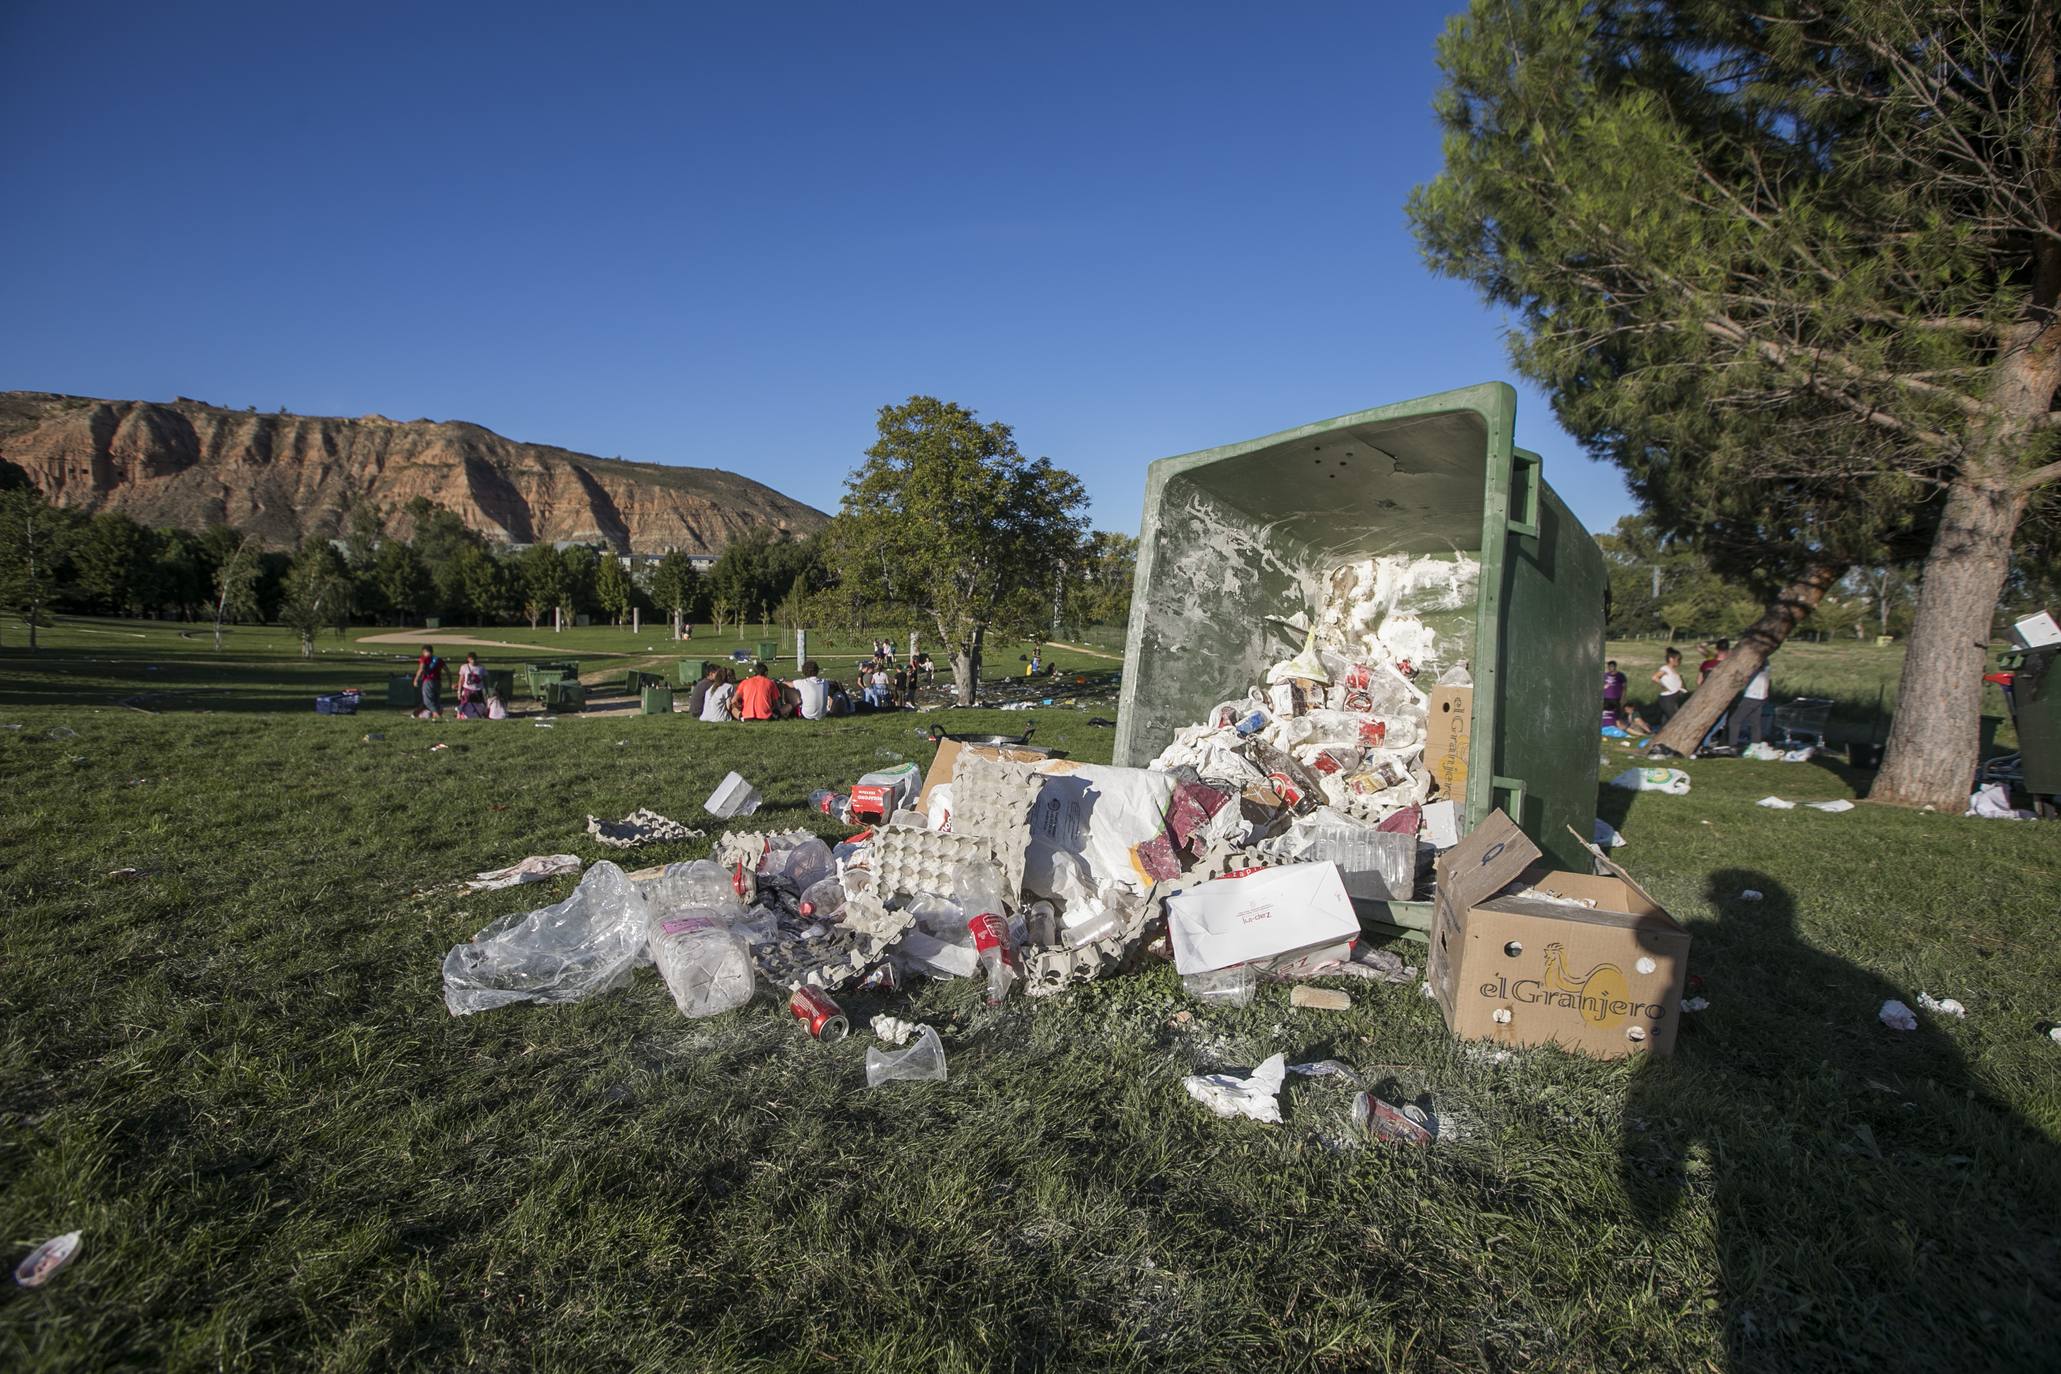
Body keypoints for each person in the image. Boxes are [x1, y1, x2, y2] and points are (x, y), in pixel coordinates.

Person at [1728, 656, 1773, 748]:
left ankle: (1732, 745)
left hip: (1751, 696)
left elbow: (1745, 676)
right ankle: (1755, 745)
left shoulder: (1756, 664)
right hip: (1761, 696)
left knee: (1734, 721)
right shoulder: (1766, 664)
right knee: (1755, 722)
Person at [1651, 647, 1686, 727]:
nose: (1680, 662)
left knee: (1666, 718)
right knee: (1674, 717)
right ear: (1671, 659)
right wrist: (1664, 686)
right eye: (1678, 659)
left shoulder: (1674, 670)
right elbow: (1654, 677)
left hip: (1674, 696)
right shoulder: (1665, 669)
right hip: (1668, 697)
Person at [412, 644, 444, 720]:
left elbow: (421, 669)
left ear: (425, 651)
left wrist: (416, 679)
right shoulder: (438, 659)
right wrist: (450, 681)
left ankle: (437, 716)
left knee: (428, 701)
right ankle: (415, 715)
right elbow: (447, 670)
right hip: (438, 682)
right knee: (434, 700)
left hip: (428, 681)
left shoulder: (424, 658)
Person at [456, 652, 487, 717]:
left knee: (479, 704)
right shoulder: (464, 667)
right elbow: (461, 680)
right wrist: (459, 691)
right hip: (467, 689)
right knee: (464, 704)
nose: (473, 661)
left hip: (478, 690)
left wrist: (485, 690)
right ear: (468, 659)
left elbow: (485, 679)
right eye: (471, 659)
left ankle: (480, 715)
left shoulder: (481, 667)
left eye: (474, 659)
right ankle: (460, 715)